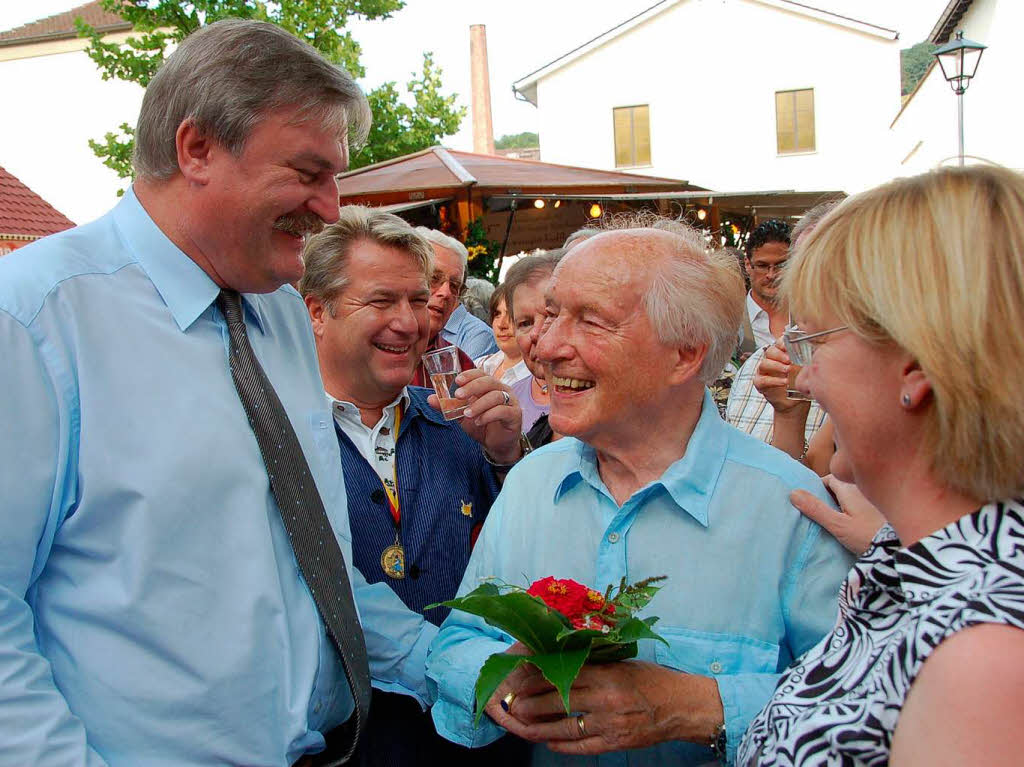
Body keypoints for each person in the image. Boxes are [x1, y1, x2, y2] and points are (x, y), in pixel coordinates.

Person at [0, 20, 435, 766]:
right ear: (196, 148)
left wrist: (464, 669)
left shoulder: (278, 312)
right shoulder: (34, 320)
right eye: (307, 172)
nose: (332, 208)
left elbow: (316, 569)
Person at [427, 224, 854, 765]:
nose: (548, 345)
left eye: (591, 321)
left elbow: (861, 708)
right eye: (553, 314)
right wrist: (507, 686)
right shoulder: (533, 483)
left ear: (685, 355)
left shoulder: (791, 508)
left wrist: (697, 706)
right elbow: (458, 641)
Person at [739, 165, 1024, 766]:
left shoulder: (986, 655)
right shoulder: (913, 560)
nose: (805, 376)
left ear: (918, 365)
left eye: (814, 340)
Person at [299, 206, 528, 767]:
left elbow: (517, 562)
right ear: (316, 313)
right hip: (343, 746)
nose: (410, 322)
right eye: (381, 301)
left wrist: (505, 459)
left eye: (419, 300)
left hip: (480, 739)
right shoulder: (278, 440)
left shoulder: (460, 421)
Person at [728, 208, 836, 444]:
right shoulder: (758, 366)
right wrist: (789, 416)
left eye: (782, 265)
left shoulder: (885, 376)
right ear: (748, 265)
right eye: (800, 267)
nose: (772, 275)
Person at [503, 250, 566, 432]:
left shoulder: (604, 402)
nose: (536, 334)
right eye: (525, 323)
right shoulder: (508, 402)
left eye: (550, 316)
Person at [416, 227, 498, 361]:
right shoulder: (376, 346)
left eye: (454, 286)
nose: (446, 293)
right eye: (433, 278)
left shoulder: (462, 360)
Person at [474, 282, 531, 385]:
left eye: (511, 315)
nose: (501, 324)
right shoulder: (480, 365)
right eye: (497, 314)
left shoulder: (538, 379)